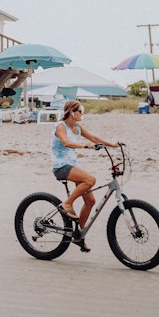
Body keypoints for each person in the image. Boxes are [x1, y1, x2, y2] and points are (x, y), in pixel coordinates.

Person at [50, 101, 117, 251]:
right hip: (61, 166)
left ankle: (78, 235)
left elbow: (93, 137)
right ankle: (67, 204)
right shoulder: (60, 126)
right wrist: (85, 146)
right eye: (80, 111)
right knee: (90, 180)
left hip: (73, 165)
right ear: (72, 112)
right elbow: (66, 143)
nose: (82, 113)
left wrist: (112, 145)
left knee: (90, 201)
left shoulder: (78, 127)